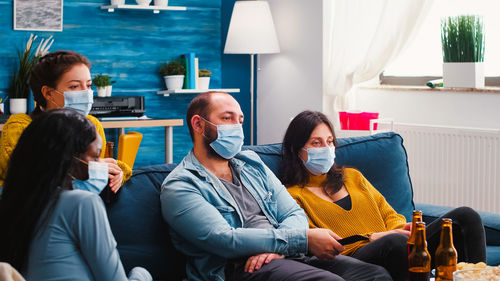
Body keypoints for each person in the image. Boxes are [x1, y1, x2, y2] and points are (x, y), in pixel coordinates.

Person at [160, 92, 391, 281]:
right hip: (240, 268)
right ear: (199, 124)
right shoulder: (180, 185)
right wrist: (301, 240)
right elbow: (225, 239)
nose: (237, 127)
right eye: (227, 118)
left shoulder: (251, 163)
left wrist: (279, 248)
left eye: (240, 120)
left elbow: (292, 212)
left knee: (374, 274)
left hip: (286, 255)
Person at [281, 110, 487, 281]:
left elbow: (389, 213)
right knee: (395, 243)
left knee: (465, 216)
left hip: (394, 244)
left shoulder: (353, 177)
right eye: (316, 143)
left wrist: (400, 229)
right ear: (296, 149)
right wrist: (374, 238)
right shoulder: (292, 196)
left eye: (330, 141)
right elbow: (321, 244)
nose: (326, 149)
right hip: (357, 256)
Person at [0, 108, 151, 281]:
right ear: (69, 159)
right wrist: (141, 274)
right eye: (95, 157)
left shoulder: (14, 203)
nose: (99, 164)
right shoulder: (82, 203)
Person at [0, 50, 130, 196]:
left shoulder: (92, 124)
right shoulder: (21, 125)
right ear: (48, 93)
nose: (86, 93)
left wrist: (118, 172)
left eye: (88, 85)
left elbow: (100, 164)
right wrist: (89, 167)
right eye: (74, 86)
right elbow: (21, 171)